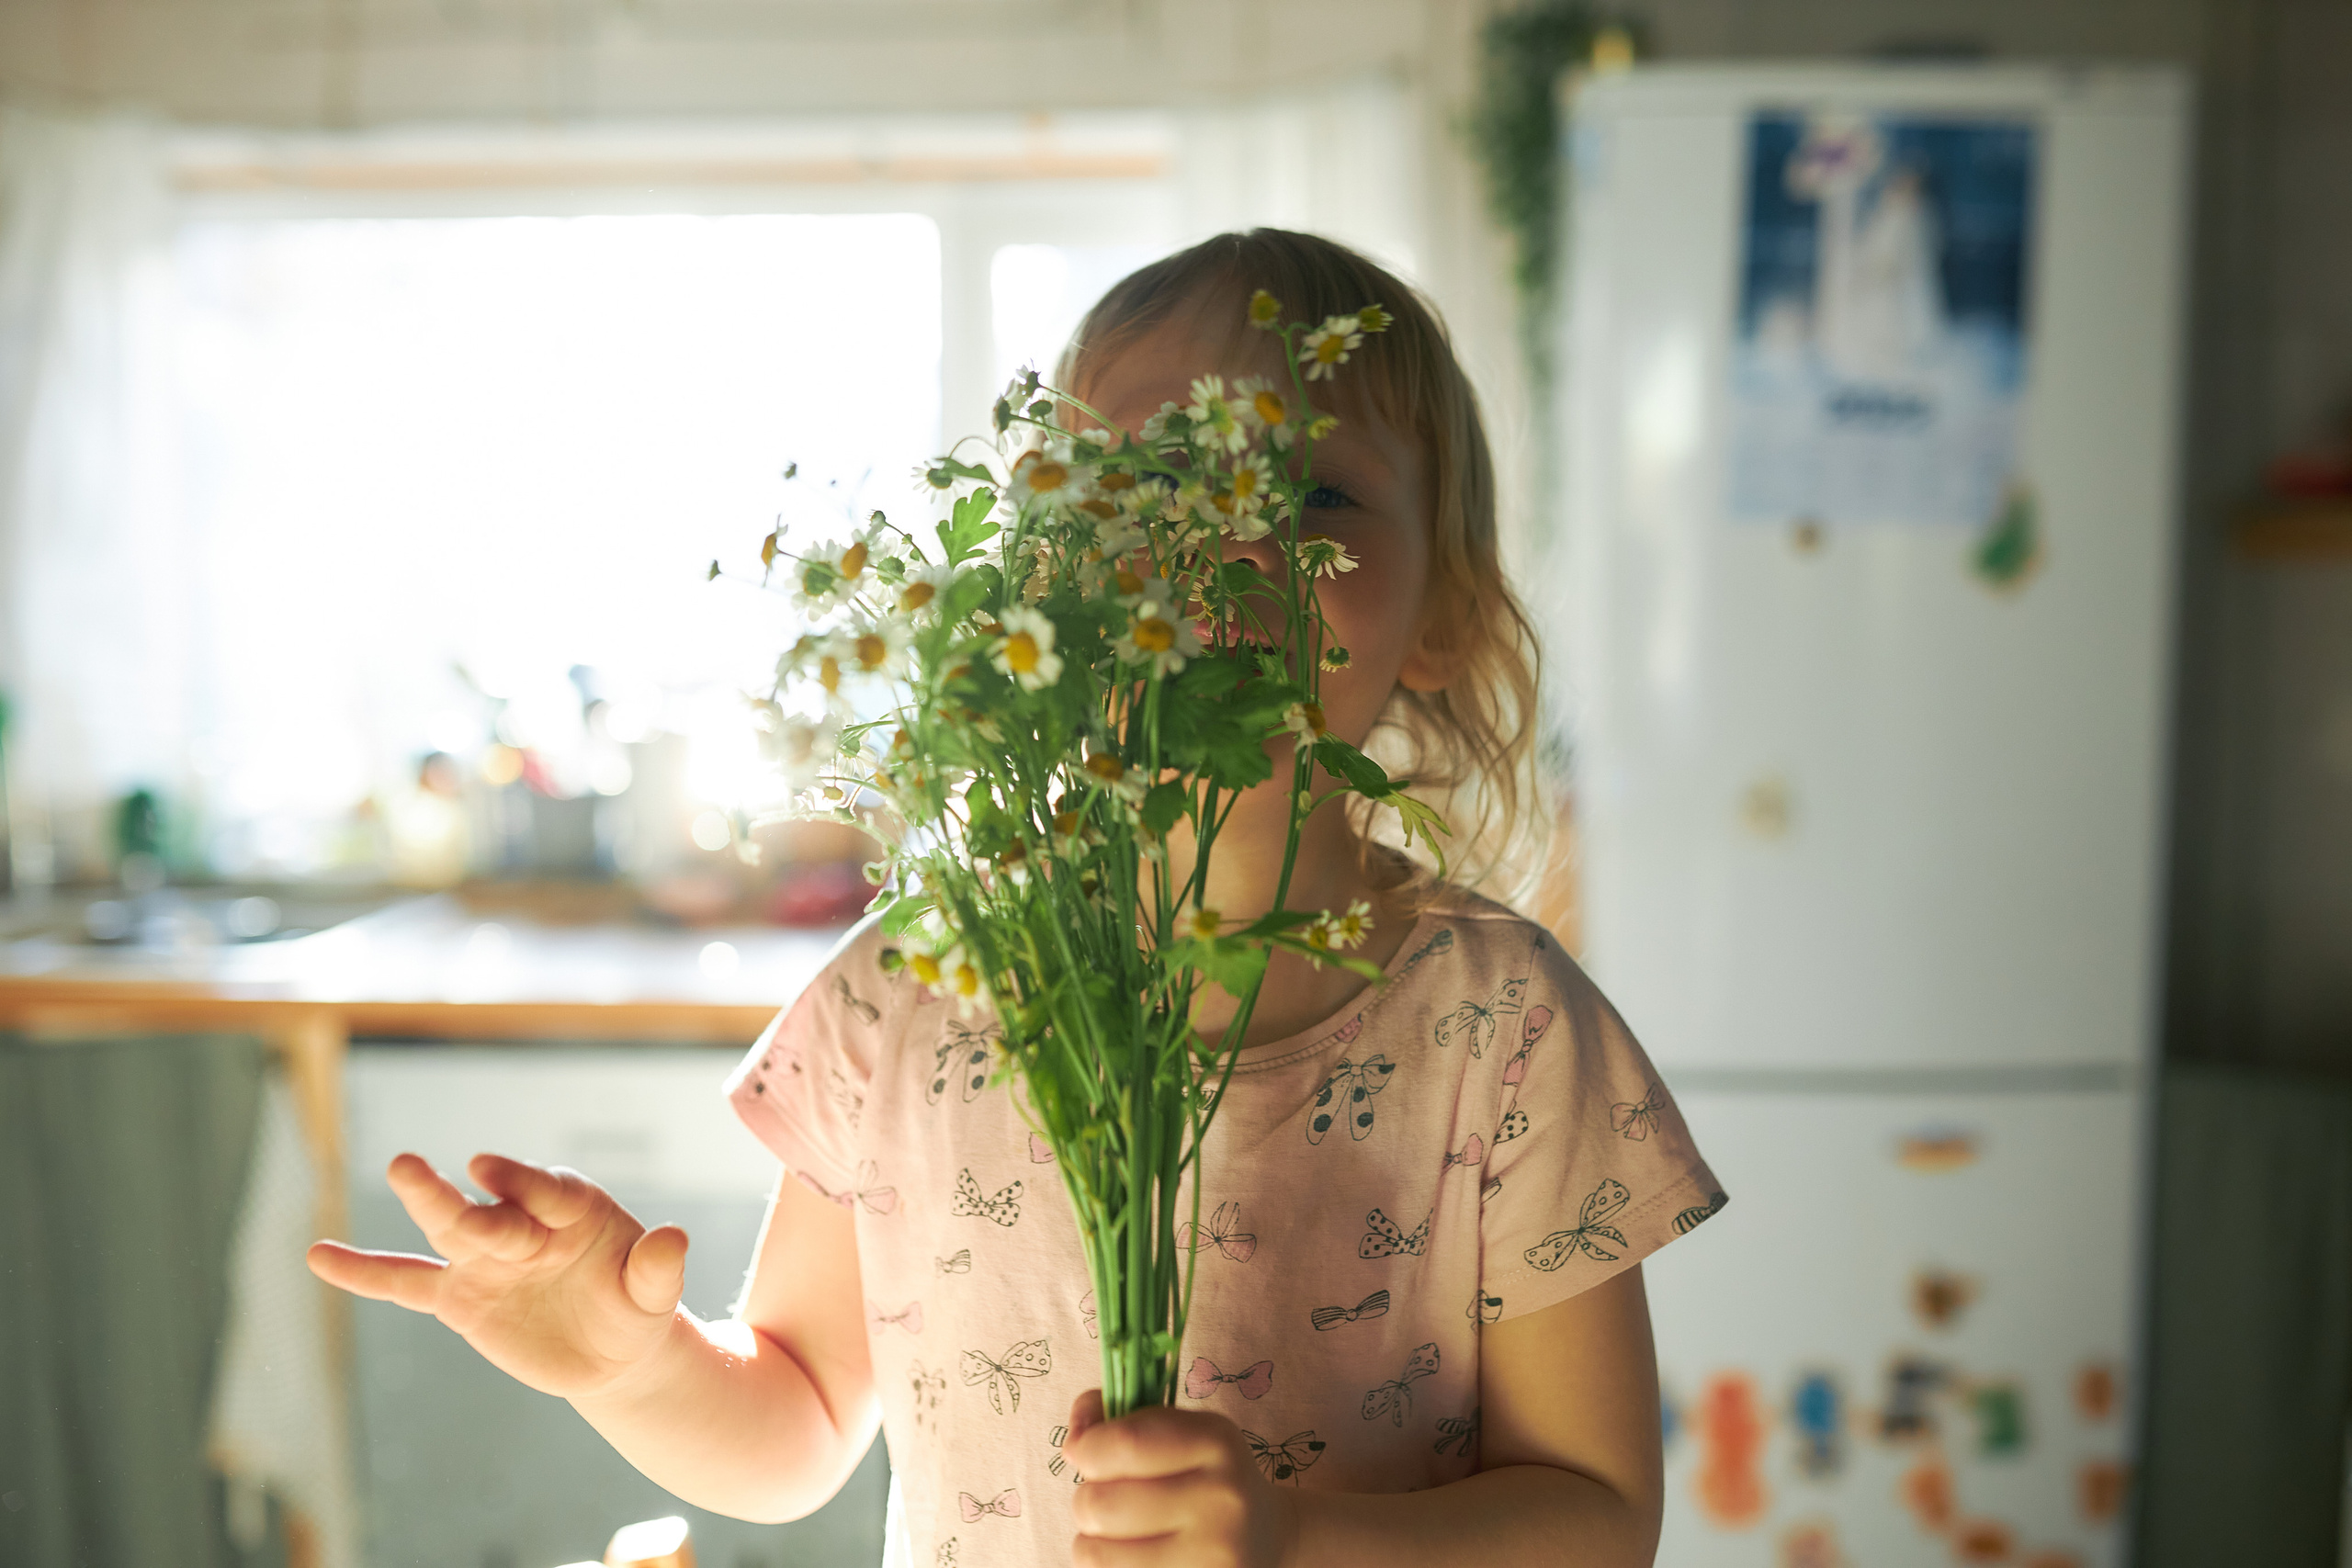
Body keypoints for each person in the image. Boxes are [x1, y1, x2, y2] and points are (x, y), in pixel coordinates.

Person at [308, 230, 1726, 1568]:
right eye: (1143, 489)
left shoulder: (1502, 1025)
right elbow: (796, 1420)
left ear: (1447, 616)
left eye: (1313, 498)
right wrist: (631, 1365)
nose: (1222, 540)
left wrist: (1299, 1543)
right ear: (1040, 584)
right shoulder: (919, 984)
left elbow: (1597, 1516)